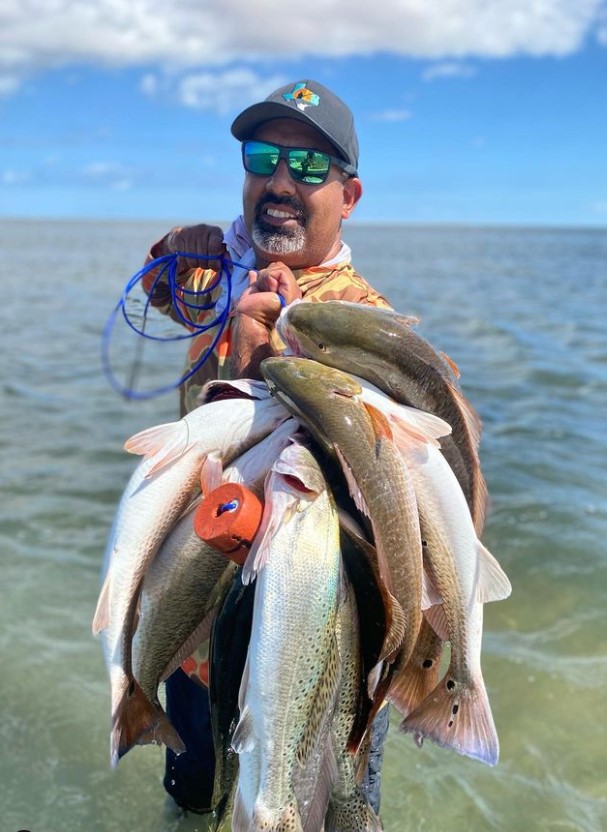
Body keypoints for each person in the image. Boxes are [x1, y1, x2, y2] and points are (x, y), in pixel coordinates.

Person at [141, 79, 392, 818]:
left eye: (310, 168)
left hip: (309, 625)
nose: (282, 183)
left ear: (348, 195)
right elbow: (165, 279)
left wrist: (257, 368)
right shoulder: (218, 268)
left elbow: (350, 480)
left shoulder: (360, 317)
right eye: (263, 158)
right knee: (193, 802)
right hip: (194, 612)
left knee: (316, 810)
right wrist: (176, 250)